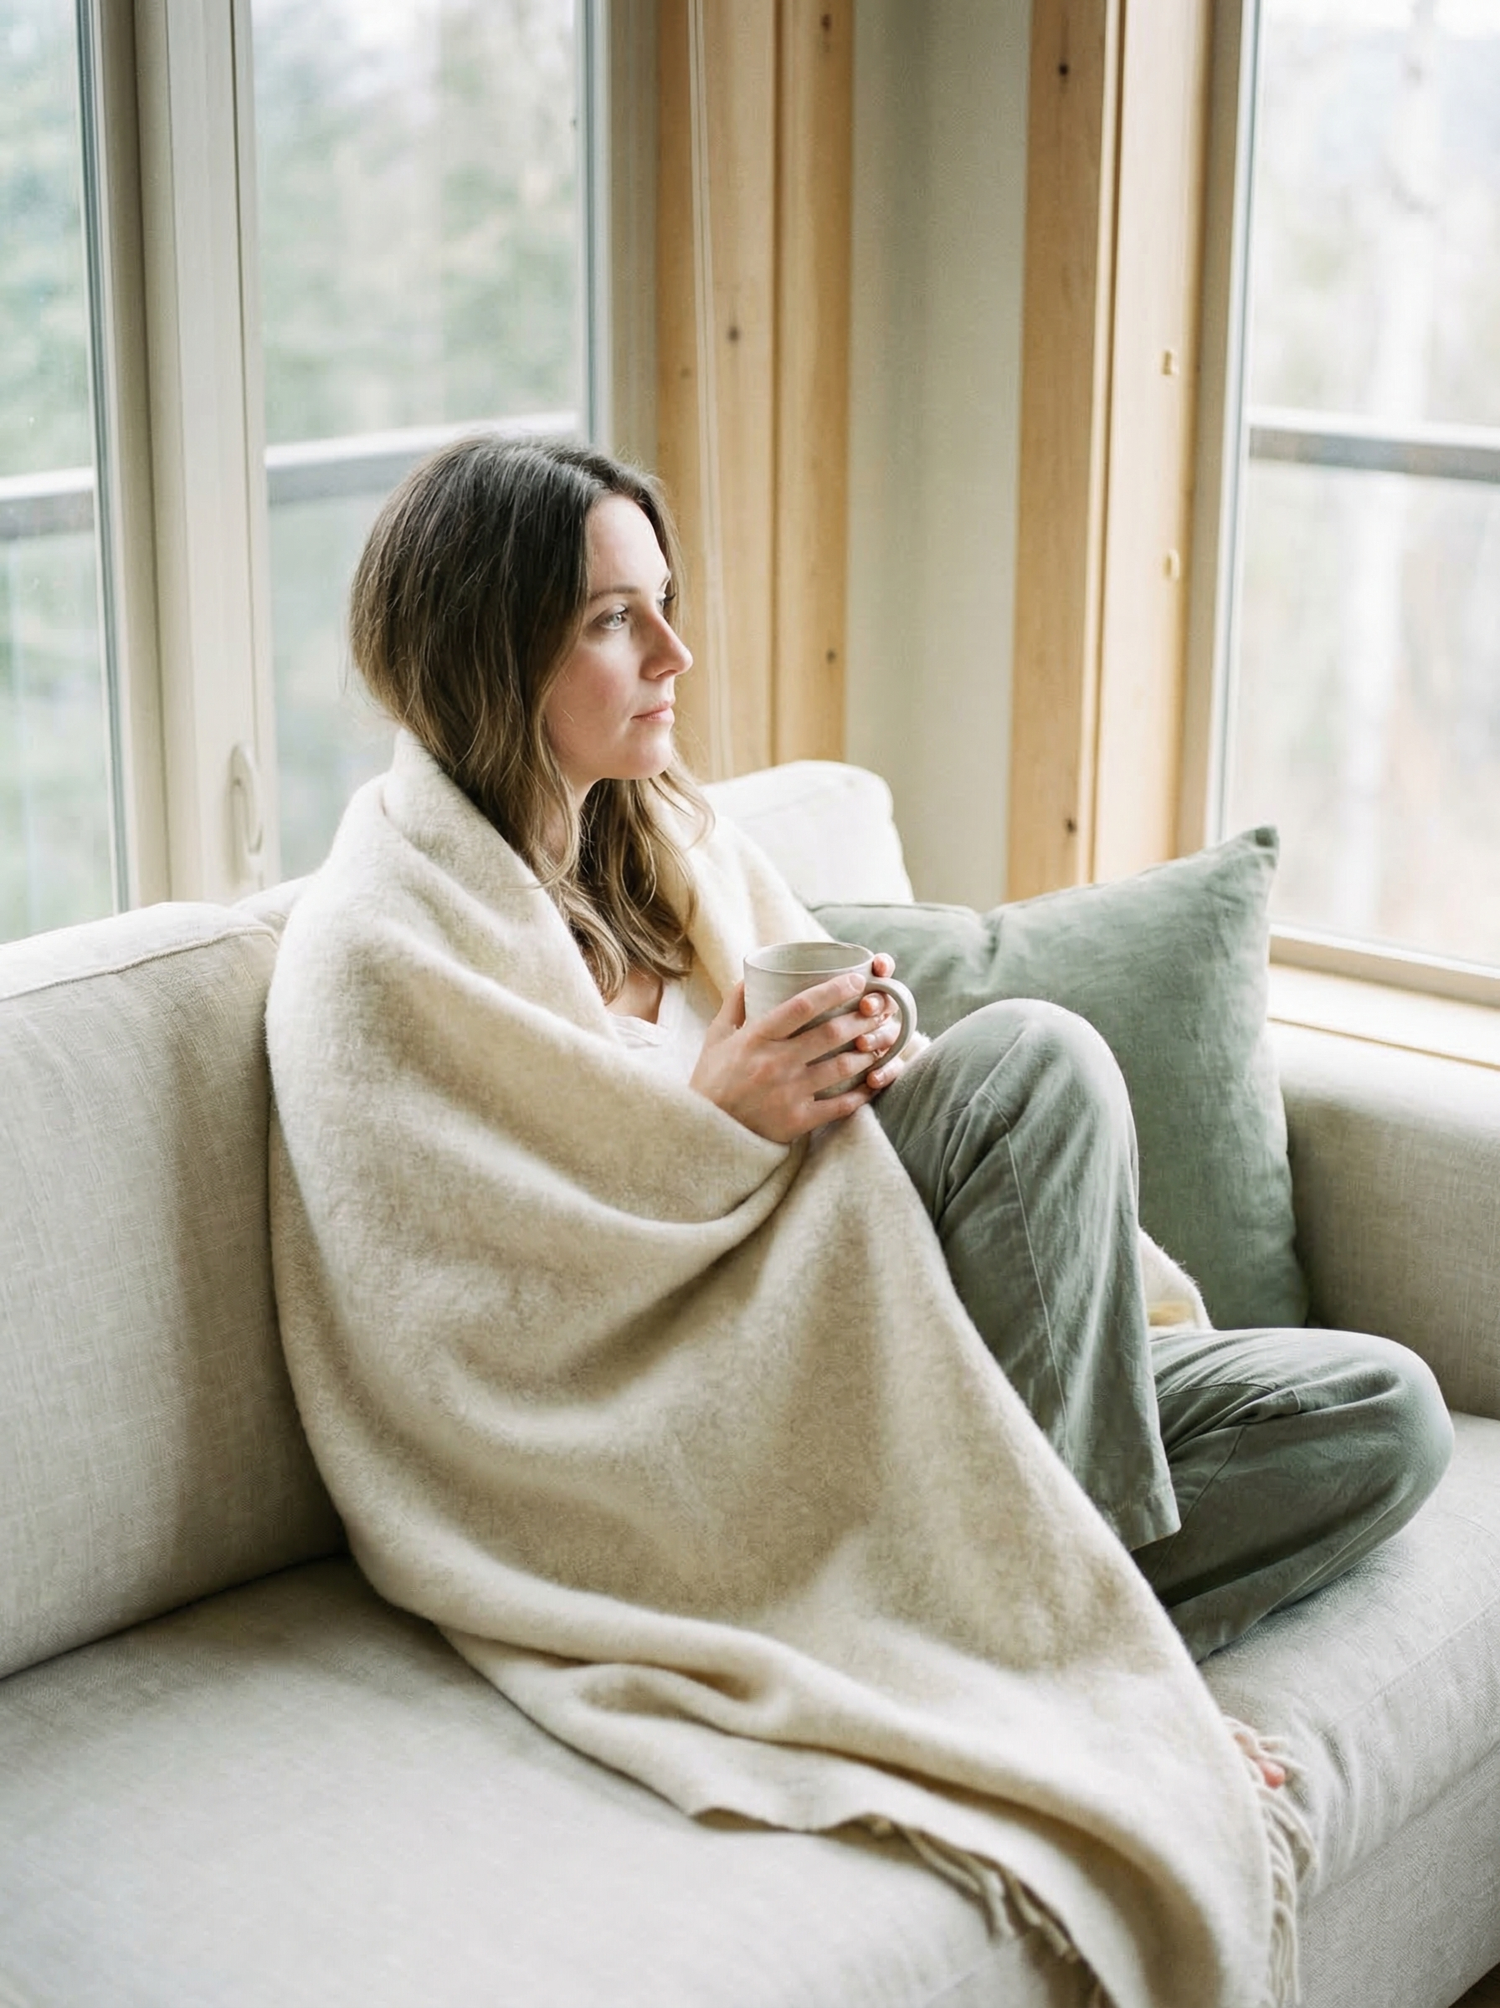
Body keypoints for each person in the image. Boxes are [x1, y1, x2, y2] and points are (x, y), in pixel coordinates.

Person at [262, 432, 1447, 2004]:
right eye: (619, 620)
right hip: (711, 1449)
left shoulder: (672, 842)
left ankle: (1014, 1607)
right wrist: (714, 1128)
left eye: (665, 604)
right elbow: (472, 1326)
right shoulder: (376, 951)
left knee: (1387, 1412)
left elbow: (886, 1161)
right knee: (1041, 1062)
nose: (677, 654)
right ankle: (1069, 1663)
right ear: (490, 647)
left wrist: (876, 1072)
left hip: (932, 1372)